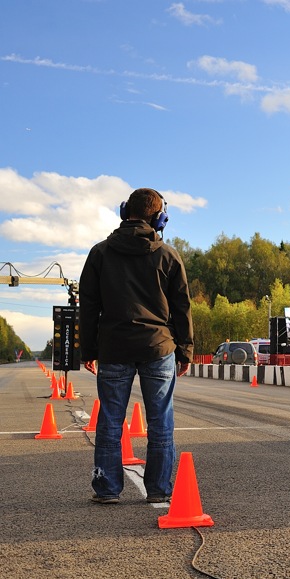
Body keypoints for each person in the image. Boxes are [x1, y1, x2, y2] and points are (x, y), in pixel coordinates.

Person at [79, 188, 194, 504]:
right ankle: (158, 489)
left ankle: (107, 489)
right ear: (160, 218)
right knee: (160, 421)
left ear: (124, 212)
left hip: (114, 348)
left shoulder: (100, 253)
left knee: (111, 420)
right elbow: (182, 307)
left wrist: (88, 350)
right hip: (158, 348)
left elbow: (88, 306)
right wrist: (185, 350)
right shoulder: (168, 256)